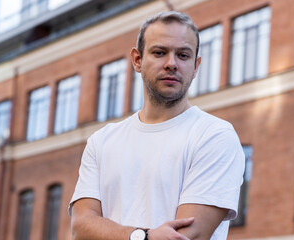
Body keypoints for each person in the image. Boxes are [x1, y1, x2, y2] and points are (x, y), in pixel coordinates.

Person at [69, 11, 245, 240]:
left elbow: (188, 236)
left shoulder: (214, 136)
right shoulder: (101, 141)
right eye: (160, 53)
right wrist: (143, 236)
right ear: (137, 60)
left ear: (196, 66)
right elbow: (81, 227)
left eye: (183, 55)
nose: (171, 64)